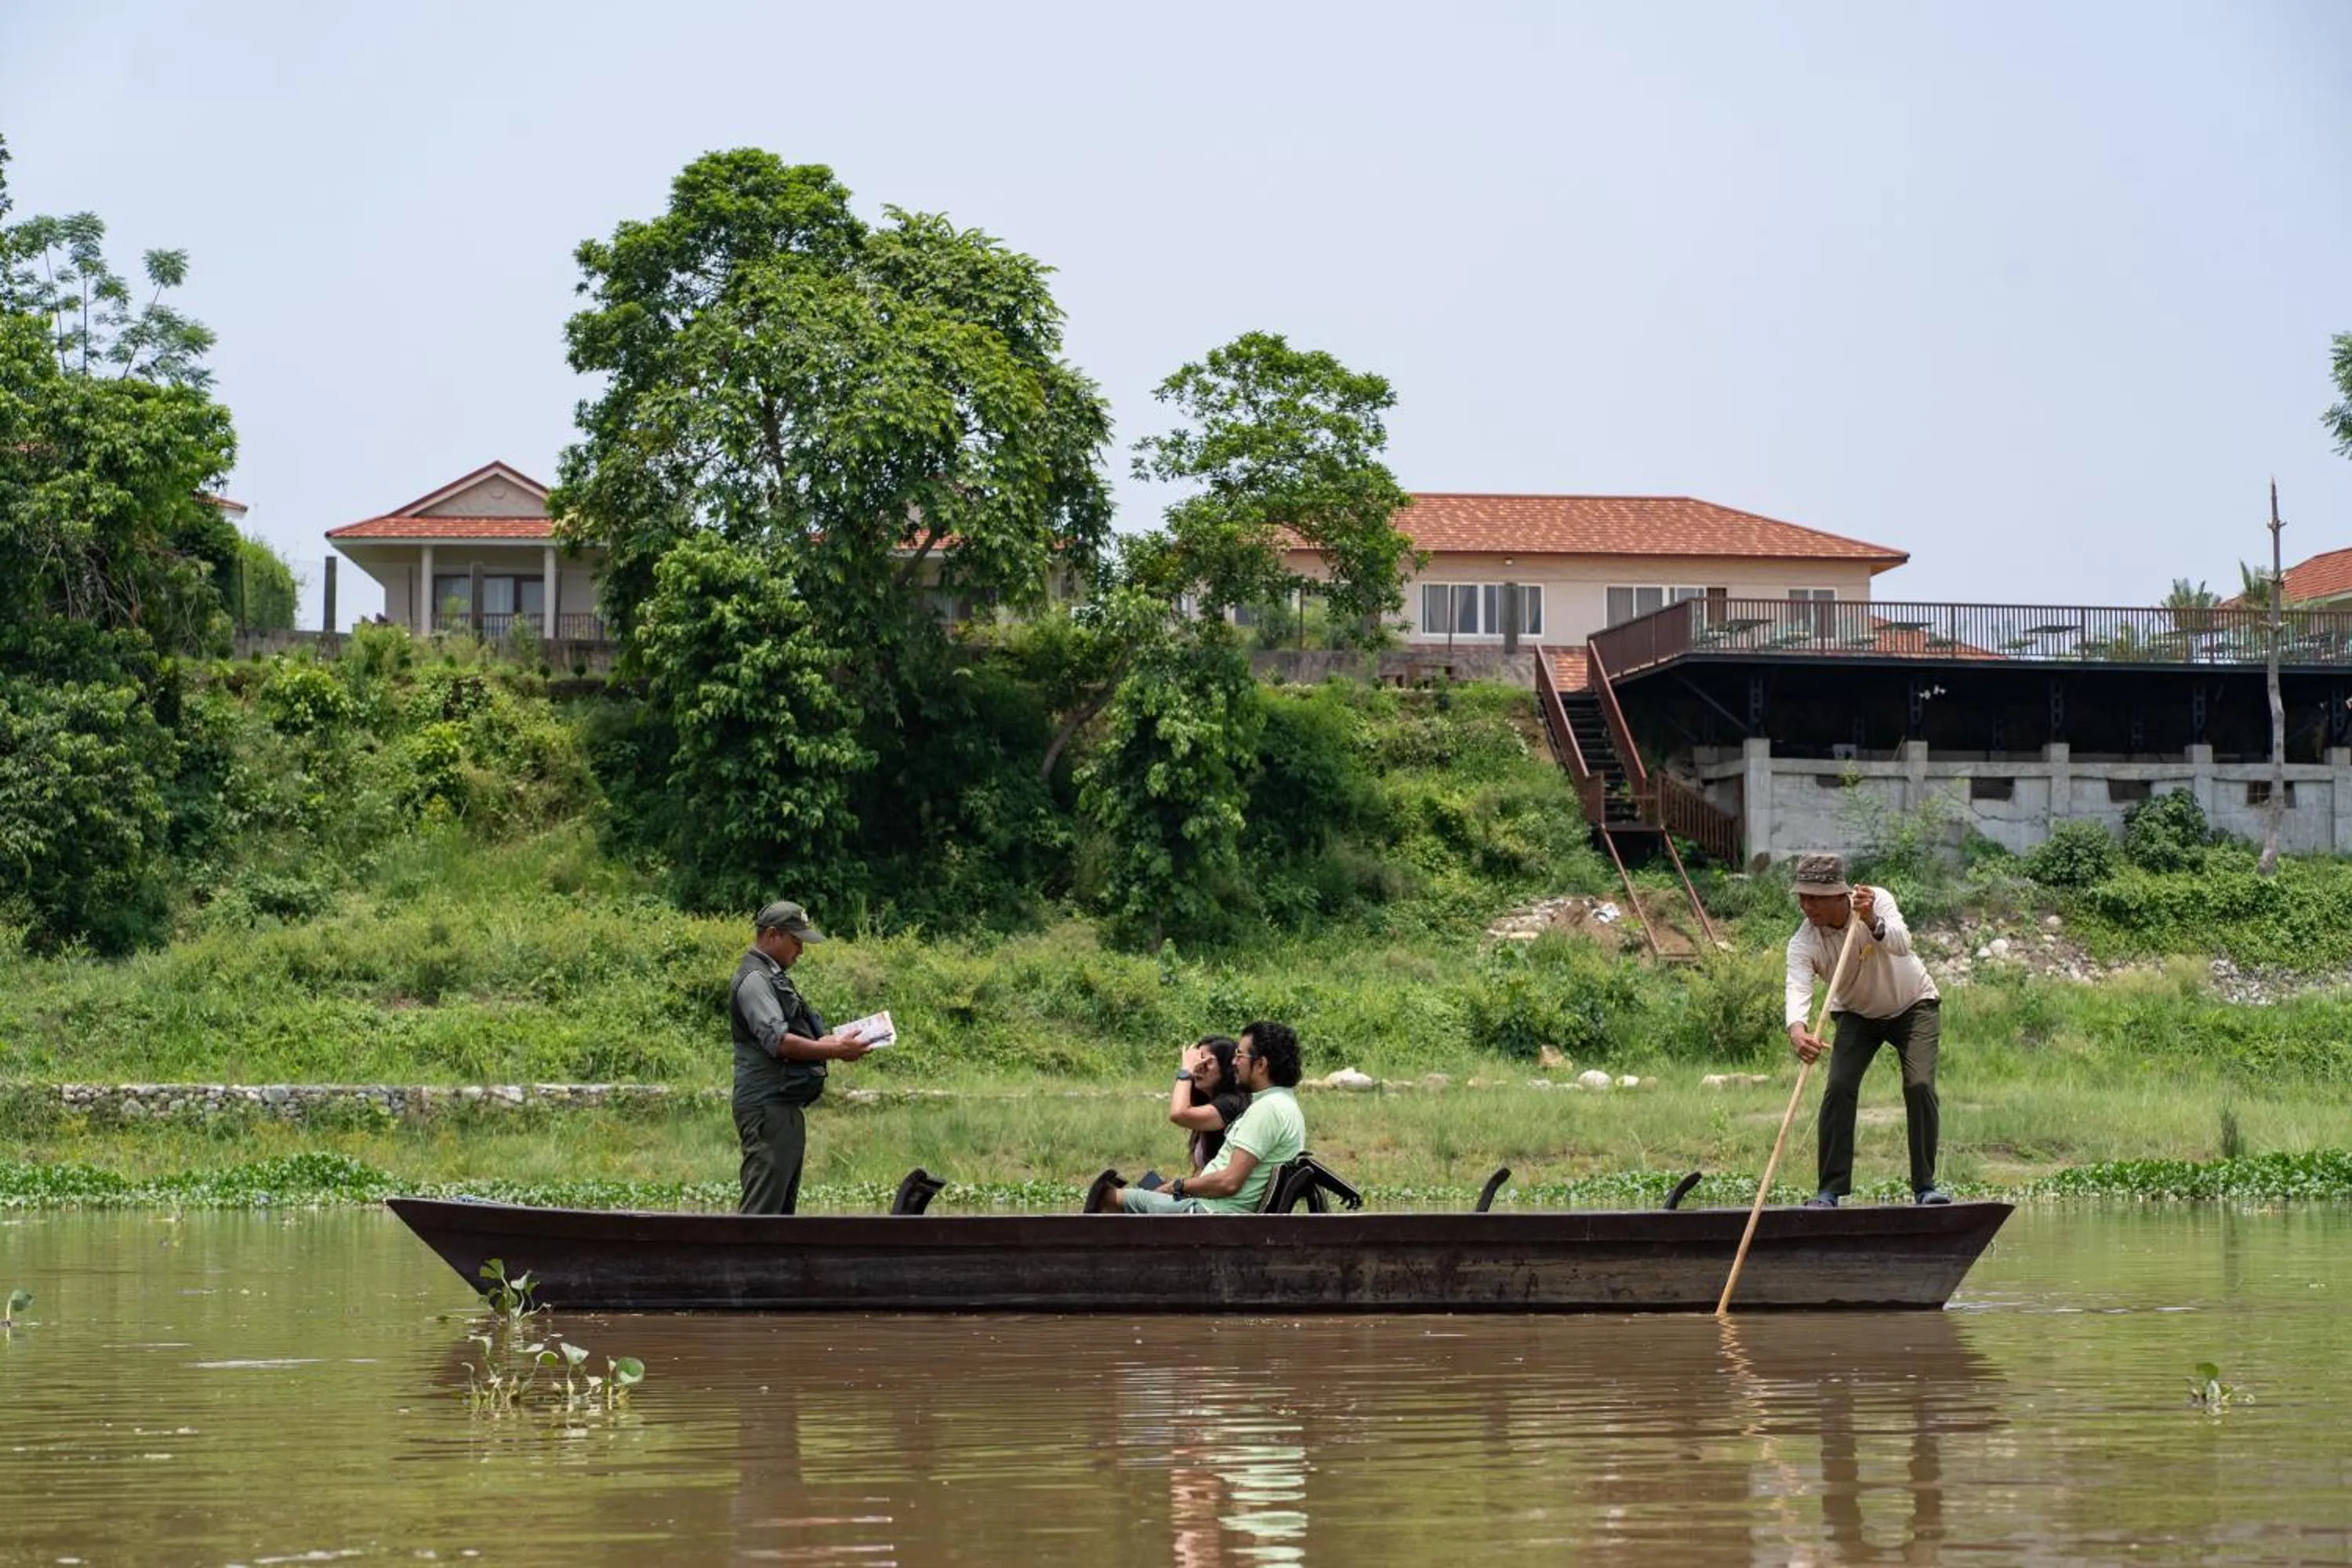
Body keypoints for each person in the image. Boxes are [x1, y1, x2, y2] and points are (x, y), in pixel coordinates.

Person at [1783, 852, 1948, 1207]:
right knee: (1839, 1086)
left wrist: (1872, 919)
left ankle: (1925, 1187)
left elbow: (1903, 943)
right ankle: (1830, 1191)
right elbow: (1797, 987)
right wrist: (1798, 1030)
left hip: (1913, 1005)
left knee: (1919, 1085)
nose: (1806, 905)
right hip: (1856, 1014)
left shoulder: (1876, 900)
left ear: (1838, 895)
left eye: (1814, 897)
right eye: (1802, 896)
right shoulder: (1804, 942)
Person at [730, 899, 873, 1214]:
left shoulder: (771, 975)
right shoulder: (755, 980)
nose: (801, 951)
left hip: (784, 1106)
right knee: (762, 1214)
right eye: (796, 942)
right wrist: (834, 1049)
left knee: (782, 1213)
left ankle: (771, 1266)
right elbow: (778, 1041)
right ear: (771, 935)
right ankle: (744, 1266)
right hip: (767, 1107)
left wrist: (839, 1044)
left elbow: (797, 1037)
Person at [1118, 1021, 1306, 1214]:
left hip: (1215, 1216)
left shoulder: (1267, 1109)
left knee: (1110, 1196)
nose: (1234, 1062)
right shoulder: (1281, 1104)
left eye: (1240, 1055)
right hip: (1214, 1208)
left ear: (1260, 1064)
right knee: (1137, 1193)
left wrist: (1178, 1186)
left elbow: (1229, 1182)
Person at [1167, 1033, 1251, 1175]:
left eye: (1206, 1062)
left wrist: (1186, 1070)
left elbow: (1178, 1114)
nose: (1198, 1068)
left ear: (1226, 1066)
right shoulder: (1210, 1102)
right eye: (1197, 1061)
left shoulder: (1230, 1104)